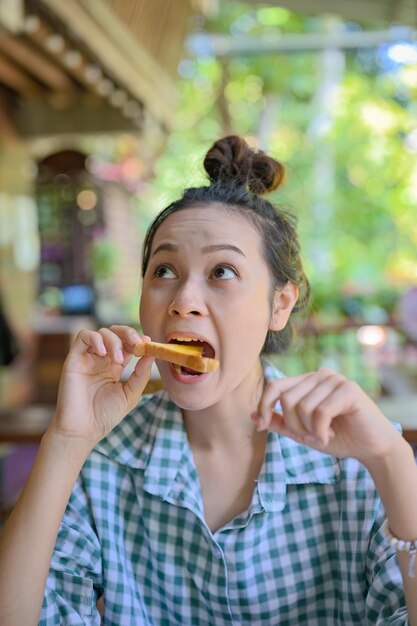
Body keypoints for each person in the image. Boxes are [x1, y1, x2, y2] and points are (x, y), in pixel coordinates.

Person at [0, 136, 416, 626]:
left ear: (279, 305)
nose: (183, 300)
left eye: (221, 271)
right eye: (164, 271)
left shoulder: (358, 461)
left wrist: (393, 460)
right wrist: (66, 440)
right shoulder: (103, 460)